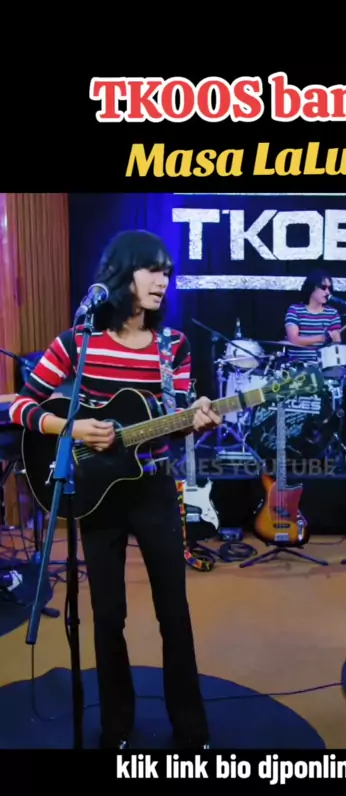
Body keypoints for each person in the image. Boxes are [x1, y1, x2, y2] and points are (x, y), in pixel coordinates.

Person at [9, 229, 221, 750]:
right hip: (95, 491)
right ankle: (116, 728)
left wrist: (197, 420)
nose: (162, 281)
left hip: (154, 489)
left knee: (175, 613)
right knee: (107, 617)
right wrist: (73, 428)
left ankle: (192, 732)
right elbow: (18, 404)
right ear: (122, 274)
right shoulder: (77, 342)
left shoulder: (173, 347)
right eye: (152, 270)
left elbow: (176, 422)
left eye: (167, 273)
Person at [285, 270, 342, 362]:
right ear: (311, 287)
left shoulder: (332, 313)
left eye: (329, 288)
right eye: (323, 288)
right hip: (298, 366)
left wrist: (336, 339)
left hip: (323, 366)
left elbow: (337, 346)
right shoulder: (295, 310)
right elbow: (293, 340)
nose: (328, 292)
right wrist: (322, 338)